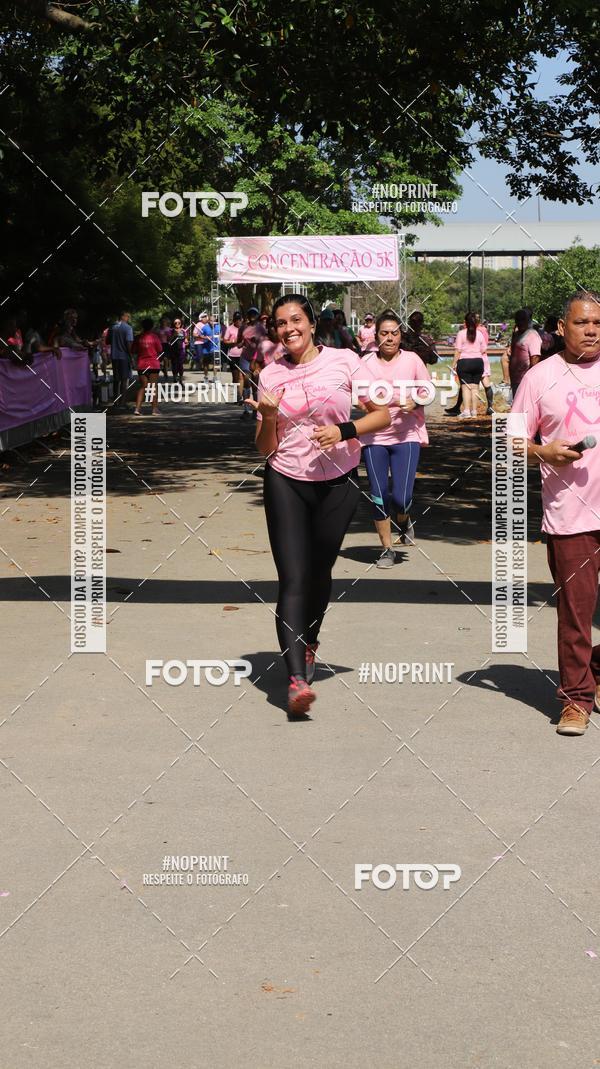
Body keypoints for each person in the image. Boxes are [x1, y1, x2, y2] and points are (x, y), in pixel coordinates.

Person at [249, 293, 390, 716]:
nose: (288, 328)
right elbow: (263, 447)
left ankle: (309, 642)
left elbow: (381, 415)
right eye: (280, 323)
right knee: (292, 577)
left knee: (320, 571)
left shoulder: (347, 361)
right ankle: (295, 681)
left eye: (296, 320)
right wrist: (270, 418)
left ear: (312, 323)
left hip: (339, 481)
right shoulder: (270, 374)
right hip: (285, 479)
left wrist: (344, 430)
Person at [508, 291, 600, 735]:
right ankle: (576, 699)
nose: (592, 330)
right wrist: (541, 451)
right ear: (561, 328)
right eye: (582, 323)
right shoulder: (539, 378)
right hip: (571, 517)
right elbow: (509, 442)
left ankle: (592, 673)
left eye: (598, 323)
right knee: (576, 615)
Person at [361, 310, 431, 567]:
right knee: (379, 494)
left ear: (401, 336)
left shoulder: (412, 360)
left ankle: (403, 519)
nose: (389, 338)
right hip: (374, 437)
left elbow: (428, 390)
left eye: (394, 333)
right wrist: (364, 406)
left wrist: (416, 401)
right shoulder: (366, 363)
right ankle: (387, 549)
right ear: (375, 336)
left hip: (406, 435)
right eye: (384, 333)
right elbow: (354, 394)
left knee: (401, 497)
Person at [451, 311, 486, 418]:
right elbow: (483, 350)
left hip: (464, 363)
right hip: (478, 362)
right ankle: (474, 411)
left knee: (466, 388)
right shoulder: (479, 334)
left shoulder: (461, 334)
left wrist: (453, 364)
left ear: (465, 322)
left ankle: (466, 411)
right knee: (475, 388)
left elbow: (458, 351)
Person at [507, 307, 542, 396]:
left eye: (522, 319)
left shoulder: (532, 335)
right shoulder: (517, 335)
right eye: (518, 320)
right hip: (516, 379)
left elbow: (535, 358)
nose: (520, 322)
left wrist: (530, 379)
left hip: (525, 381)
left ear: (528, 320)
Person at [239, 306, 266, 419]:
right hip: (245, 357)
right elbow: (238, 341)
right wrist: (241, 344)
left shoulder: (261, 328)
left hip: (257, 358)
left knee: (255, 385)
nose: (252, 317)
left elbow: (265, 343)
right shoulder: (243, 327)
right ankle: (246, 410)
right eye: (251, 314)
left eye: (254, 314)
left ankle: (256, 410)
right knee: (246, 381)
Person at [132, 317, 163, 415]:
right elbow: (160, 349)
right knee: (153, 387)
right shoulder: (155, 337)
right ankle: (154, 409)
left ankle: (137, 409)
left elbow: (133, 350)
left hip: (142, 364)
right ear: (152, 326)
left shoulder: (138, 337)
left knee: (143, 386)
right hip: (153, 364)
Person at [109, 311, 134, 408]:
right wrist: (131, 357)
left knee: (116, 379)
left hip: (114, 356)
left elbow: (107, 341)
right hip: (124, 357)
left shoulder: (112, 327)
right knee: (124, 380)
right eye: (128, 316)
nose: (128, 318)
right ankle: (122, 403)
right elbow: (129, 344)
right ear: (123, 316)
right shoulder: (128, 328)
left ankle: (115, 402)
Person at [223, 311, 244, 400]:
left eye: (240, 319)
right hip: (233, 355)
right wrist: (233, 342)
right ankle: (237, 395)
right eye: (236, 320)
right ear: (234, 320)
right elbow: (225, 340)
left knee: (242, 376)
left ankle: (241, 395)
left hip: (243, 355)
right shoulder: (230, 328)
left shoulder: (244, 328)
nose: (238, 321)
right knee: (235, 377)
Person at [168, 317, 187, 383]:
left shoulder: (184, 331)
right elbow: (169, 341)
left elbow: (186, 340)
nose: (177, 324)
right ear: (173, 324)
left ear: (181, 323)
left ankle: (181, 378)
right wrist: (174, 335)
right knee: (174, 364)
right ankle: (175, 377)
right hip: (173, 350)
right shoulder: (171, 331)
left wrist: (186, 341)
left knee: (180, 365)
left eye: (179, 323)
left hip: (181, 350)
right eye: (175, 323)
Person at [157, 316, 173, 381]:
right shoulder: (158, 330)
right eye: (162, 322)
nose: (163, 323)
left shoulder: (169, 329)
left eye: (164, 322)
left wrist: (169, 336)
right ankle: (161, 369)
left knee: (166, 359)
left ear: (167, 322)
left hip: (166, 345)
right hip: (159, 345)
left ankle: (165, 370)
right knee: (159, 359)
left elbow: (170, 339)